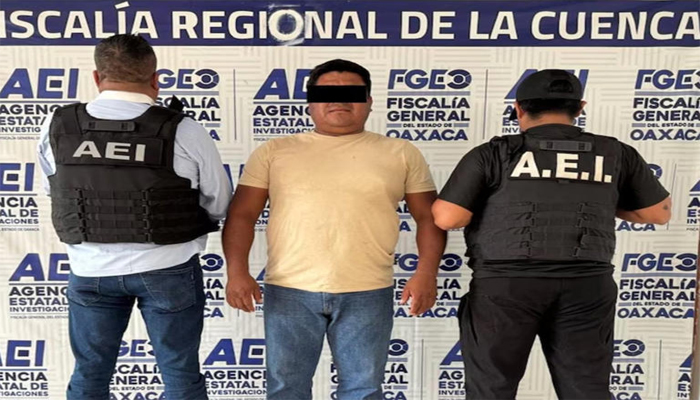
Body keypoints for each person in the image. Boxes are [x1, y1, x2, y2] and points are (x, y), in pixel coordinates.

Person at [431, 69, 671, 400]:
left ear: (518, 108)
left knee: (491, 390)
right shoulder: (615, 153)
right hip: (586, 286)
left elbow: (447, 217)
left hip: (506, 287)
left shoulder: (493, 153)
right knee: (586, 390)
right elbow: (657, 213)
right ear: (580, 108)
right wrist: (597, 200)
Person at [222, 59, 446, 400]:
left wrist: (427, 273)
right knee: (285, 390)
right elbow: (241, 215)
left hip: (368, 291)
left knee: (363, 391)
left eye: (352, 93)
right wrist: (237, 272)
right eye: (326, 93)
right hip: (289, 291)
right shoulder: (274, 152)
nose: (339, 100)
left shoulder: (400, 152)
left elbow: (429, 218)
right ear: (310, 102)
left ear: (369, 101)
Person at [36, 34, 232, 400]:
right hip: (168, 269)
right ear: (156, 79)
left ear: (97, 77)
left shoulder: (57, 125)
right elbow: (219, 202)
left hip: (91, 270)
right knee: (180, 374)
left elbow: (52, 191)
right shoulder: (184, 129)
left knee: (90, 375)